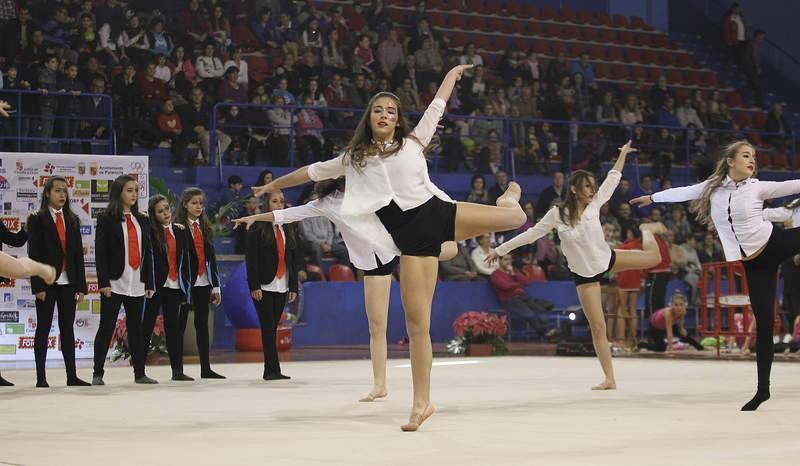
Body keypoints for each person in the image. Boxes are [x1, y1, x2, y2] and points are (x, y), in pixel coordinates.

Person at [252, 64, 526, 431]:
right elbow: (310, 171)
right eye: (379, 110)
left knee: (515, 219)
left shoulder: (414, 143)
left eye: (391, 112)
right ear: (370, 118)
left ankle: (508, 199)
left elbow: (437, 105)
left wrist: (452, 74)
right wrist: (271, 188)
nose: (384, 115)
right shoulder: (353, 159)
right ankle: (421, 404)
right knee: (418, 326)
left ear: (398, 122)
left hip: (440, 215)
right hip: (411, 241)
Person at [235, 178, 457, 399]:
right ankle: (380, 385)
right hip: (372, 263)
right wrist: (256, 217)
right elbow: (287, 215)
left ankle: (447, 237)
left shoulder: (365, 190)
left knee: (447, 251)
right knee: (376, 327)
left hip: (393, 247)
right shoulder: (325, 203)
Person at [630, 139, 800, 410]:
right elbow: (684, 192)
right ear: (730, 161)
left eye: (754, 156)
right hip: (755, 265)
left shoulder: (758, 187)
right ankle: (763, 391)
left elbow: (794, 184)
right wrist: (653, 197)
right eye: (746, 155)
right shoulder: (713, 189)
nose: (752, 160)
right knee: (765, 325)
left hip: (775, 243)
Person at [488, 141, 666, 390]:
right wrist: (499, 249)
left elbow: (613, 178)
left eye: (593, 186)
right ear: (573, 189)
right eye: (586, 186)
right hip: (585, 275)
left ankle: (646, 230)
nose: (592, 190)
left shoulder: (595, 205)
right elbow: (530, 235)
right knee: (598, 326)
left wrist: (623, 154)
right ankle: (610, 378)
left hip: (608, 259)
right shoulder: (557, 214)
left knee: (654, 258)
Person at [92, 175, 156, 385]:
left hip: (137, 282)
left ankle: (140, 373)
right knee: (106, 327)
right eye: (129, 190)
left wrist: (150, 282)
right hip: (115, 282)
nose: (134, 194)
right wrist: (103, 283)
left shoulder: (143, 219)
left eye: (136, 190)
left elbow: (149, 253)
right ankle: (98, 373)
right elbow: (100, 253)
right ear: (119, 192)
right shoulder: (106, 218)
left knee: (137, 330)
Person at [27, 177, 90, 388]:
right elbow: (33, 254)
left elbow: (77, 257)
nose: (62, 195)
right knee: (43, 329)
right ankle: (41, 378)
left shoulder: (72, 219)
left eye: (64, 191)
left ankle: (72, 376)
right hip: (46, 283)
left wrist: (81, 286)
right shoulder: (37, 219)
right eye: (57, 191)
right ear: (47, 194)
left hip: (68, 283)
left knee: (68, 329)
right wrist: (38, 286)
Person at [244, 190, 300, 381]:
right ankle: (272, 370)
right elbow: (251, 260)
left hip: (282, 285)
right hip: (264, 285)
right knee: (267, 328)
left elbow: (292, 259)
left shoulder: (288, 227)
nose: (279, 204)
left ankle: (272, 369)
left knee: (272, 327)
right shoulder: (257, 227)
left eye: (282, 201)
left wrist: (293, 286)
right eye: (275, 201)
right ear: (267, 204)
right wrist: (254, 286)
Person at [175, 188, 225, 379]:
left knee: (202, 325)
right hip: (185, 284)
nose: (198, 206)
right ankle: (178, 370)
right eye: (194, 202)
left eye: (201, 203)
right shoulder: (178, 227)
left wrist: (216, 286)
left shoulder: (206, 228)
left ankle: (206, 368)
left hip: (204, 282)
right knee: (179, 327)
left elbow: (211, 259)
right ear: (185, 204)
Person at [143, 195, 193, 381]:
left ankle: (177, 371)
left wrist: (184, 289)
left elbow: (185, 262)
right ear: (153, 215)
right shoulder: (149, 232)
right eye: (160, 211)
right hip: (155, 287)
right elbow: (147, 261)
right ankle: (139, 371)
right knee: (146, 327)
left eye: (167, 209)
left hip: (174, 286)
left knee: (174, 330)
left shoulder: (180, 231)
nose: (165, 213)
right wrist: (149, 284)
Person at [637, 291, 704, 352]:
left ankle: (700, 348)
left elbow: (681, 325)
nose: (679, 307)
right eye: (676, 305)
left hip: (667, 324)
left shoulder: (683, 311)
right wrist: (670, 349)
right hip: (654, 326)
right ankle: (641, 345)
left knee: (684, 335)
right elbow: (669, 333)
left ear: (684, 305)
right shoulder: (668, 313)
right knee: (661, 348)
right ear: (671, 305)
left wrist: (682, 329)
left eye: (681, 305)